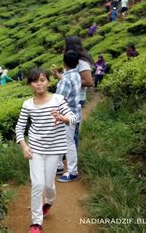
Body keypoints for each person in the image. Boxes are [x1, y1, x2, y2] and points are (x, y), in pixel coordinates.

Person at [15, 68, 77, 232]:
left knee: (48, 185)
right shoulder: (27, 104)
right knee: (37, 184)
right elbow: (19, 128)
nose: (39, 83)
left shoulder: (58, 99)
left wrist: (63, 118)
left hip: (54, 149)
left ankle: (49, 201)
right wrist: (24, 146)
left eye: (42, 80)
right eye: (35, 81)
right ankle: (36, 222)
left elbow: (73, 117)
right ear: (30, 84)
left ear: (48, 82)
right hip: (35, 148)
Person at [56, 36, 93, 150]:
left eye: (65, 45)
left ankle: (72, 155)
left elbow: (88, 81)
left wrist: (71, 82)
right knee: (67, 129)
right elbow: (70, 78)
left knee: (73, 128)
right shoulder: (71, 59)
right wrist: (59, 77)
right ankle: (67, 155)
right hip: (70, 96)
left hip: (77, 98)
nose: (63, 47)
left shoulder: (81, 62)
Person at [52, 51, 81, 183]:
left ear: (64, 63)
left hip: (65, 115)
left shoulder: (66, 79)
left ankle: (72, 171)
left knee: (68, 143)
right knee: (61, 140)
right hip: (74, 113)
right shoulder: (76, 75)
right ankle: (58, 167)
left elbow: (58, 100)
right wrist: (59, 76)